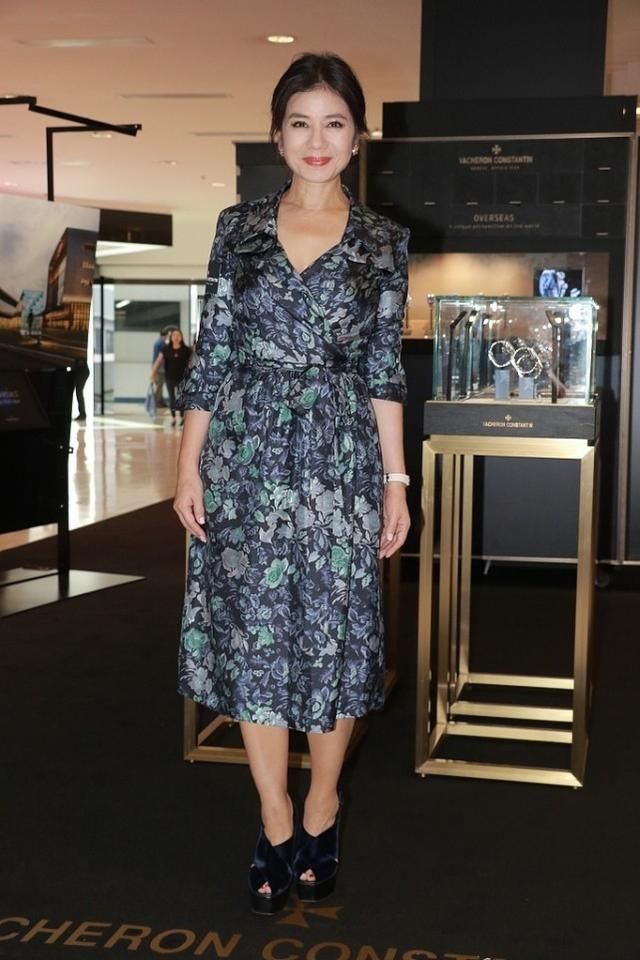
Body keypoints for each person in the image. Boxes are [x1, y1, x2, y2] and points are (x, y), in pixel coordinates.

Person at [173, 52, 410, 915]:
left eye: (334, 123)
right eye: (300, 123)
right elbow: (214, 352)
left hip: (341, 461)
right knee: (257, 639)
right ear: (277, 135)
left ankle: (323, 802)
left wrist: (396, 482)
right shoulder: (237, 227)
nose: (317, 140)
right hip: (246, 457)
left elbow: (384, 369)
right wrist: (189, 462)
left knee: (334, 637)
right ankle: (275, 816)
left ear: (357, 136)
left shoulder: (383, 241)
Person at [151, 328, 191, 426]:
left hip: (182, 378)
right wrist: (153, 373)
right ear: (171, 337)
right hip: (169, 377)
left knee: (181, 397)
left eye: (178, 335)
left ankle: (182, 416)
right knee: (172, 398)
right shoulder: (166, 349)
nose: (176, 337)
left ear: (181, 337)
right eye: (174, 335)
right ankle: (173, 418)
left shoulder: (186, 350)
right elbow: (158, 361)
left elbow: (192, 363)